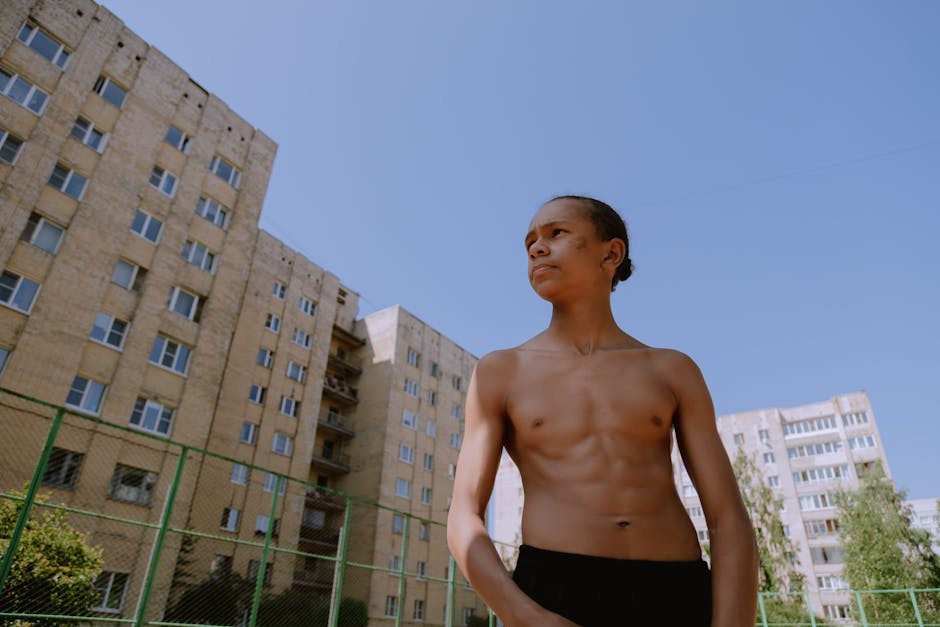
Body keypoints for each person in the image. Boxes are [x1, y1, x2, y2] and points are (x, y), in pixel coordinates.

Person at [447, 195, 759, 626]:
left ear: (611, 253)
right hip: (553, 592)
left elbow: (728, 519)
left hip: (676, 590)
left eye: (556, 233)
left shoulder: (672, 369)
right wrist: (525, 616)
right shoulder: (500, 371)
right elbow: (463, 516)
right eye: (530, 242)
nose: (537, 247)